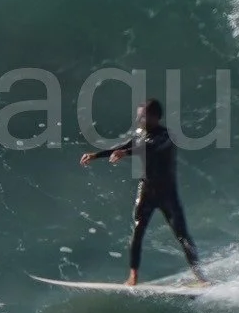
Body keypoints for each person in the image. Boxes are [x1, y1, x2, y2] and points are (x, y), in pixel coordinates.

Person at [79, 98, 207, 287]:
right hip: (146, 190)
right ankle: (133, 276)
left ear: (155, 117)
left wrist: (127, 152)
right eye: (138, 116)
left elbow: (150, 148)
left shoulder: (167, 136)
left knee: (182, 235)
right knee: (137, 232)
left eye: (143, 116)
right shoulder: (140, 133)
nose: (139, 119)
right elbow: (124, 145)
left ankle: (200, 277)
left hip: (167, 194)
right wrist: (95, 155)